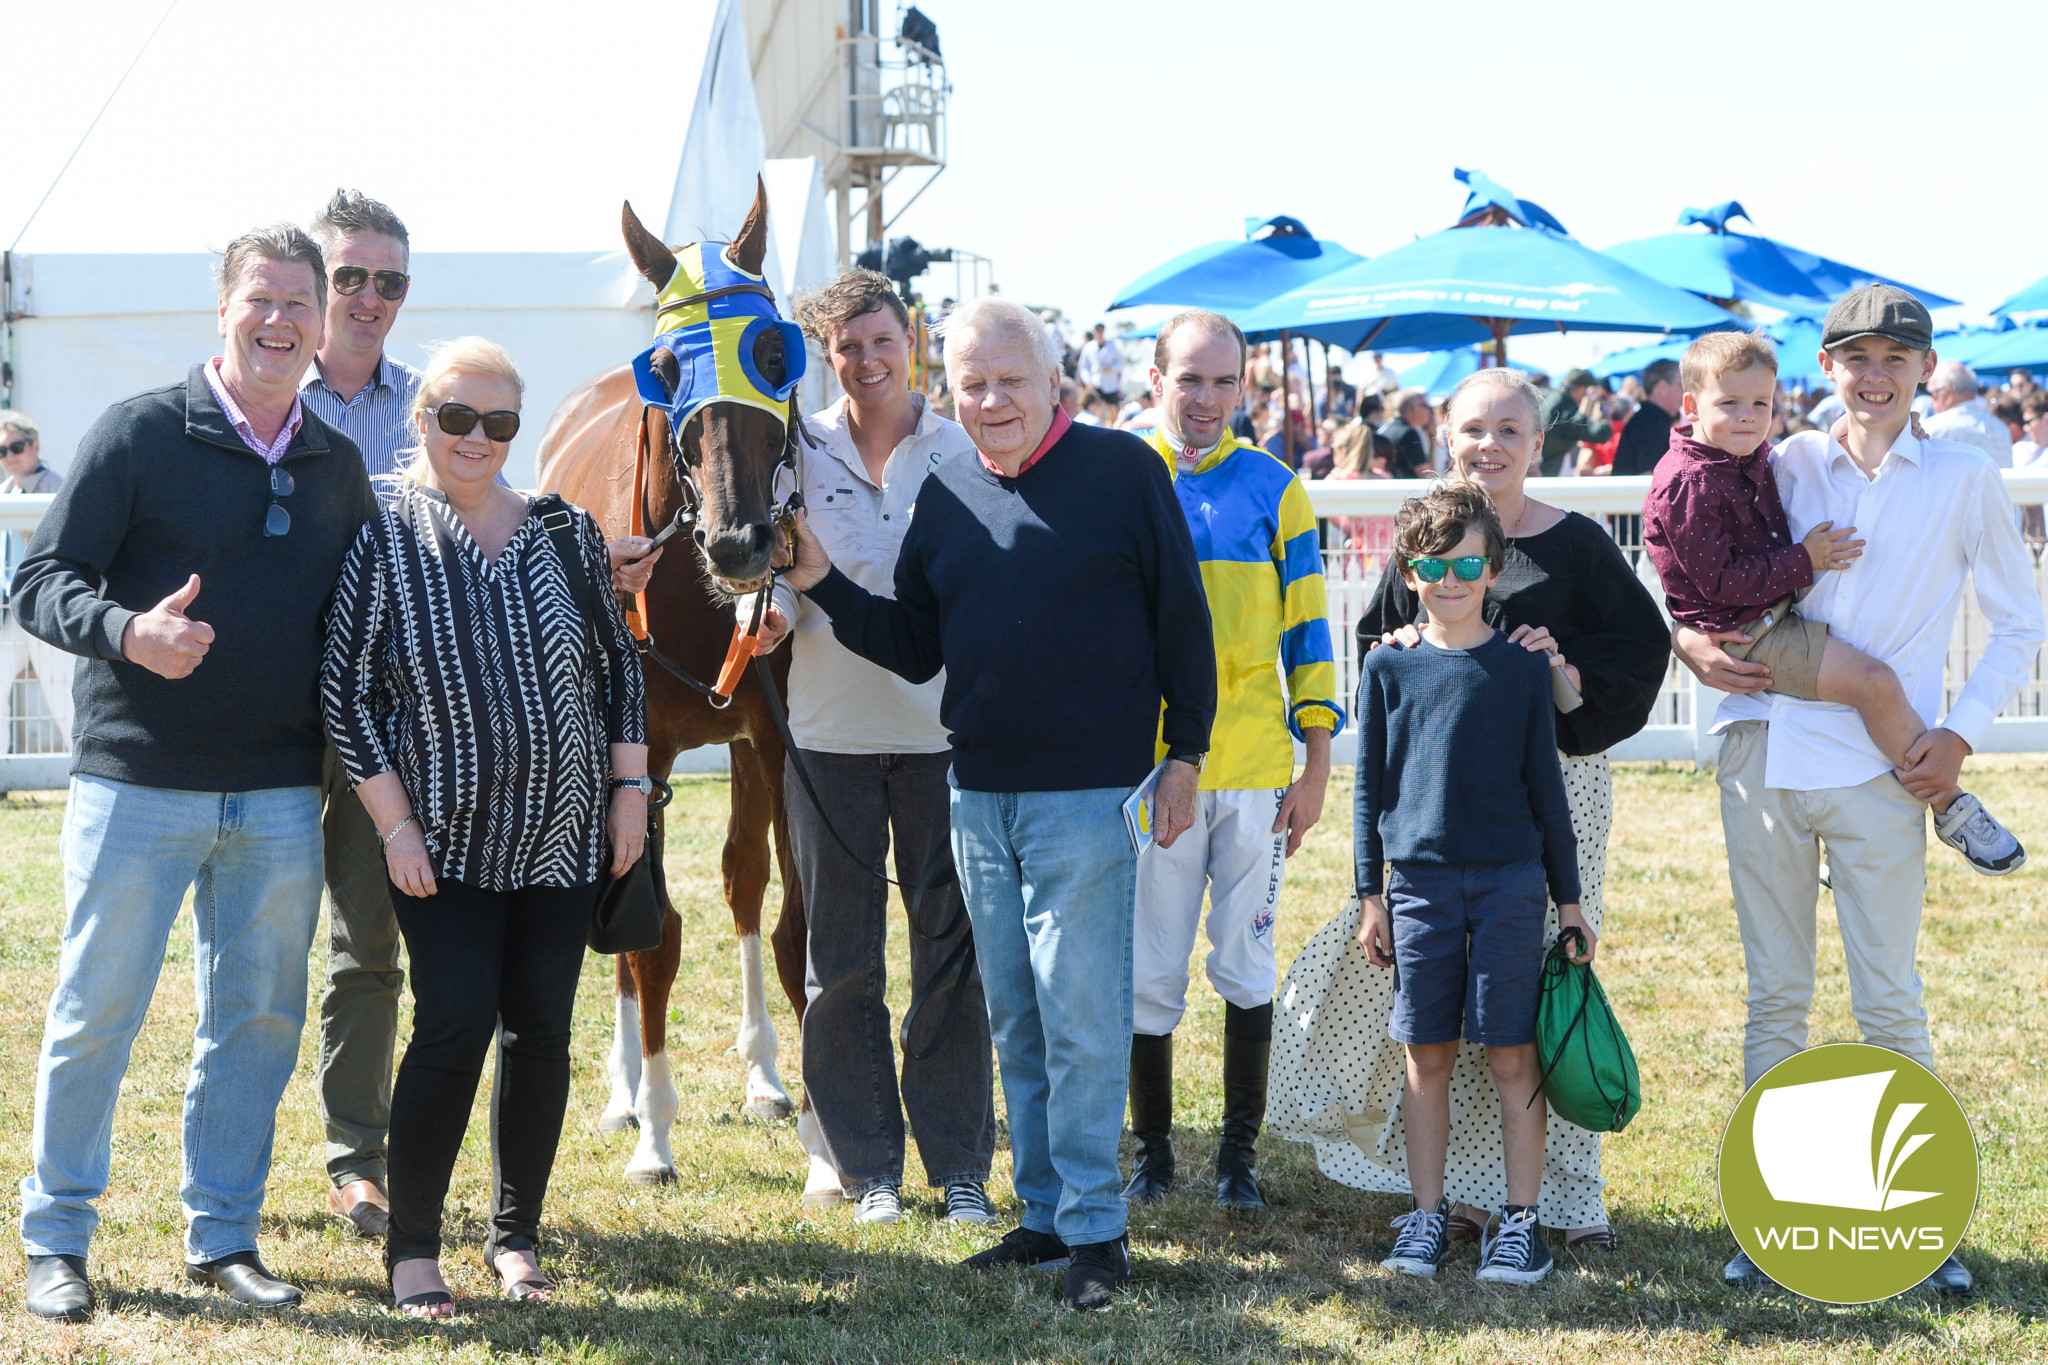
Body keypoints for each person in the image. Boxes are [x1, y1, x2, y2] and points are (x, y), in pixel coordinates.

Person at [777, 296, 1215, 1312]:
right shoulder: (946, 489)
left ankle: (1098, 1233)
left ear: (1053, 381)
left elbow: (1179, 623)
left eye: (1008, 380)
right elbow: (917, 647)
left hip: (1089, 797)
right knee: (1015, 1014)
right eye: (971, 383)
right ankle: (1045, 1217)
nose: (989, 400)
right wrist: (824, 583)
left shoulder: (1121, 473)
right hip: (976, 795)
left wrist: (1184, 753)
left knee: (1079, 1016)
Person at [12, 225, 378, 1320]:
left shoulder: (335, 463)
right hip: (138, 782)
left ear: (322, 325)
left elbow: (369, 613)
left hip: (276, 793)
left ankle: (223, 1238)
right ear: (222, 311)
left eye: (298, 304)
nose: (279, 322)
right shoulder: (139, 435)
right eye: (259, 300)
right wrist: (127, 632)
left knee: (257, 1021)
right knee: (96, 1011)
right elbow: (38, 583)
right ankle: (57, 1240)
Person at [1670, 286, 2043, 1294]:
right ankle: (1768, 1219)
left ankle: (1918, 1228)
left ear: (1926, 370)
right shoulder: (1779, 459)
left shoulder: (1965, 479)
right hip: (1764, 754)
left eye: (1894, 355)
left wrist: (1956, 735)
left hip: (1889, 771)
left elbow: (2018, 620)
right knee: (1774, 998)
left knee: (1889, 1000)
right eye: (1853, 356)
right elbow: (1689, 565)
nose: (1873, 373)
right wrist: (1685, 641)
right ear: (1822, 368)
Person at [322, 337, 648, 1317]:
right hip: (446, 843)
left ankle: (516, 1239)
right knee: (454, 1022)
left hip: (564, 834)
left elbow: (618, 666)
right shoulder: (386, 533)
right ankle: (414, 1251)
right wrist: (394, 827)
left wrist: (630, 793)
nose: (476, 438)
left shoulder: (563, 530)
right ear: (422, 418)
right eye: (456, 417)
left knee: (541, 1031)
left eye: (498, 422)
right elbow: (347, 692)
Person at [1326, 365, 1669, 1253]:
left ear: (1538, 440)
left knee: (1540, 996)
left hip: (1551, 790)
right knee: (1448, 1015)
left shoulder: (1580, 546)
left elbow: (1641, 648)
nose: (1491, 445)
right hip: (1443, 812)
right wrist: (1400, 638)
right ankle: (1464, 1200)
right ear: (1447, 437)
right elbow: (1380, 646)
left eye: (1510, 429)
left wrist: (1568, 676)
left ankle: (1563, 1197)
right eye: (1474, 428)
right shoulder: (1430, 540)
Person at [755, 267, 995, 1226]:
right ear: (826, 355)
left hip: (946, 737)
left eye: (879, 339)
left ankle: (961, 1165)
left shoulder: (965, 446)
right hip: (827, 738)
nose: (864, 360)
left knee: (951, 953)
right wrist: (767, 611)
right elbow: (772, 572)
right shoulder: (794, 449)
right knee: (840, 961)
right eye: (845, 347)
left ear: (913, 338)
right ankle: (868, 1167)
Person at [1645, 329, 2024, 874]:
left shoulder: (1764, 457)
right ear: (1690, 405)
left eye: (1761, 404)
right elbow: (1718, 582)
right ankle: (1950, 804)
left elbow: (2019, 624)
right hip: (1753, 631)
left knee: (1872, 687)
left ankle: (1859, 830)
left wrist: (1895, 432)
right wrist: (1805, 559)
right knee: (1873, 684)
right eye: (1730, 403)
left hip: (1769, 626)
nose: (1749, 416)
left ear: (1925, 368)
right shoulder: (1692, 479)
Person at [1126, 310, 1342, 1211]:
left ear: (1244, 387)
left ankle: (1238, 1159)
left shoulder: (1276, 487)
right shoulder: (1125, 475)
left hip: (1257, 769)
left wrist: (1319, 756)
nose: (1206, 398)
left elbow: (1308, 625)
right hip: (1152, 770)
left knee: (1247, 965)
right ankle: (1155, 1155)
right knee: (1150, 967)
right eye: (1190, 379)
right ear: (1156, 380)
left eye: (1223, 381)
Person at [1355, 481, 1591, 1287]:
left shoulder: (1521, 670)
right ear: (1409, 570)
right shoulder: (1386, 665)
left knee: (1512, 1054)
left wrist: (1570, 901)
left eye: (1466, 564)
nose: (1449, 579)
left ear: (1493, 569)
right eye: (1431, 564)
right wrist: (1370, 893)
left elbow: (1547, 792)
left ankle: (1521, 1224)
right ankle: (1426, 1216)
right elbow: (1368, 789)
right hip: (1418, 889)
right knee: (1427, 1052)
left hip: (1510, 884)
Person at [295, 188, 422, 1242]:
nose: (369, 297)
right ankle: (227, 1163)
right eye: (350, 277)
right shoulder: (261, 395)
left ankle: (359, 1162)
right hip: (256, 714)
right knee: (241, 953)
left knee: (366, 948)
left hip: (379, 718)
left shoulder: (435, 412)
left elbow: (484, 537)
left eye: (389, 281)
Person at [1923, 360, 2014, 467]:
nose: (1931, 400)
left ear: (1947, 392)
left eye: (1932, 393)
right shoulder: (2000, 427)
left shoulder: (1931, 429)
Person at [1536, 368, 1612, 477]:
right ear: (1581, 389)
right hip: (1543, 475)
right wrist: (1607, 411)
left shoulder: (1546, 395)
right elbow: (1601, 434)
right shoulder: (1564, 408)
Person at [1609, 359, 1679, 477]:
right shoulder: (1651, 424)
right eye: (1681, 386)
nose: (1687, 392)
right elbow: (1649, 477)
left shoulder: (1648, 419)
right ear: (1661, 387)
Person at [1378, 389, 1434, 479]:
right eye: (1425, 405)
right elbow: (1427, 476)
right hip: (1406, 491)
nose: (1430, 411)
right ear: (1414, 410)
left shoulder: (1386, 429)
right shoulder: (1409, 434)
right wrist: (1433, 442)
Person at [0, 412, 59, 494]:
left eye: (17, 447)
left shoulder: (58, 489)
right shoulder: (3, 491)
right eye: (2, 450)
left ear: (36, 446)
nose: (9, 456)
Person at [1077, 322, 1124, 408]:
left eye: (1101, 331)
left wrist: (1111, 368)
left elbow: (1121, 363)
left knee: (1112, 409)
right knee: (1097, 408)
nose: (1099, 333)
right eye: (1097, 331)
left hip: (1110, 384)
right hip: (1095, 384)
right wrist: (1088, 381)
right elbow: (1083, 367)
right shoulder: (1088, 347)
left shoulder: (1112, 346)